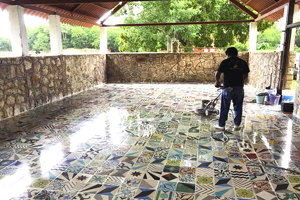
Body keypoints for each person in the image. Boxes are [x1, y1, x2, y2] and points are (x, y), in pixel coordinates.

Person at [215, 47, 250, 131]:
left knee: (224, 106)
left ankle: (221, 125)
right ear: (236, 53)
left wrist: (217, 82)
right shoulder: (242, 62)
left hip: (228, 88)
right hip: (239, 88)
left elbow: (218, 73)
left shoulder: (225, 62)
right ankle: (237, 125)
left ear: (227, 54)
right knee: (238, 106)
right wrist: (240, 79)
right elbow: (246, 74)